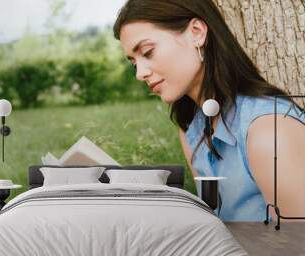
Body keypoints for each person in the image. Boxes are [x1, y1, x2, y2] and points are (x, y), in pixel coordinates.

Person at [113, 0, 305, 221]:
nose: (140, 73)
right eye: (134, 63)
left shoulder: (269, 132)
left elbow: (295, 251)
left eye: (147, 52)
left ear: (196, 33)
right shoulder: (191, 130)